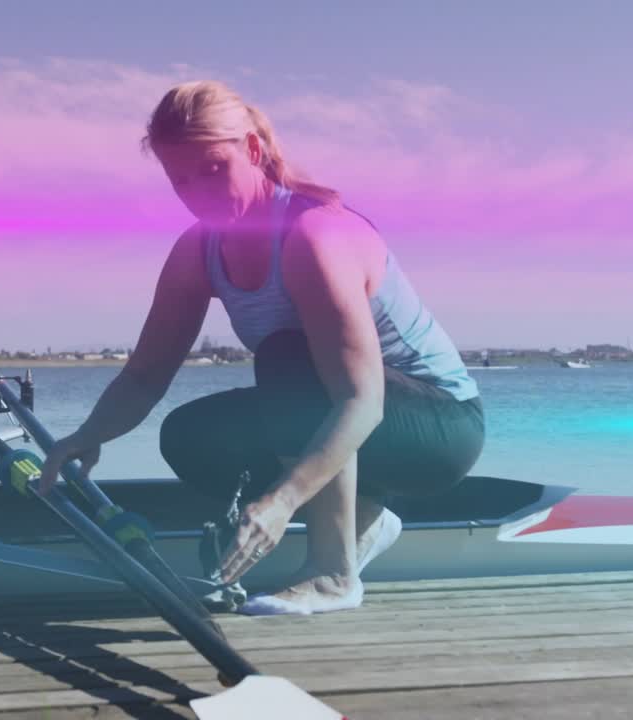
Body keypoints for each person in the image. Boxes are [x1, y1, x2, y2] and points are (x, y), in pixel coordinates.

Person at [37, 80, 485, 615]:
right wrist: (86, 436)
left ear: (252, 150)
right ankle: (365, 519)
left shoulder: (314, 236)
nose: (198, 193)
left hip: (439, 429)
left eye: (213, 170)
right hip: (354, 412)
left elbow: (360, 399)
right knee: (192, 436)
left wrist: (283, 501)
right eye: (181, 180)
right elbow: (144, 375)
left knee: (286, 358)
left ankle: (334, 574)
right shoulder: (197, 251)